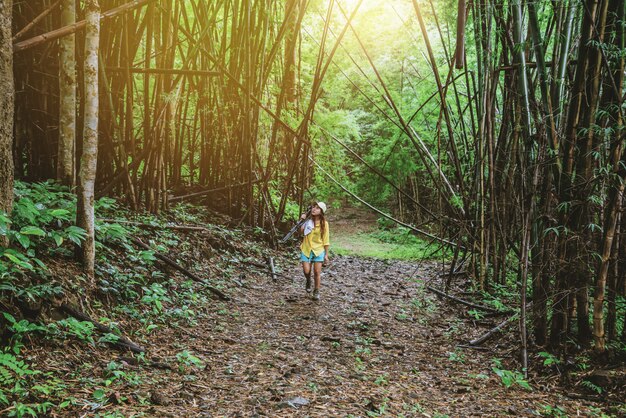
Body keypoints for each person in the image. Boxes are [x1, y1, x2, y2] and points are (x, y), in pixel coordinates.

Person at [299, 202, 330, 301]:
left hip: (319, 249)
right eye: (313, 207)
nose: (314, 209)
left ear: (321, 211)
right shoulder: (308, 221)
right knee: (306, 271)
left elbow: (326, 239)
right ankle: (308, 280)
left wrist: (326, 254)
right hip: (306, 248)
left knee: (317, 272)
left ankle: (316, 291)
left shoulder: (324, 224)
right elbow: (301, 231)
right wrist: (302, 220)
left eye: (317, 208)